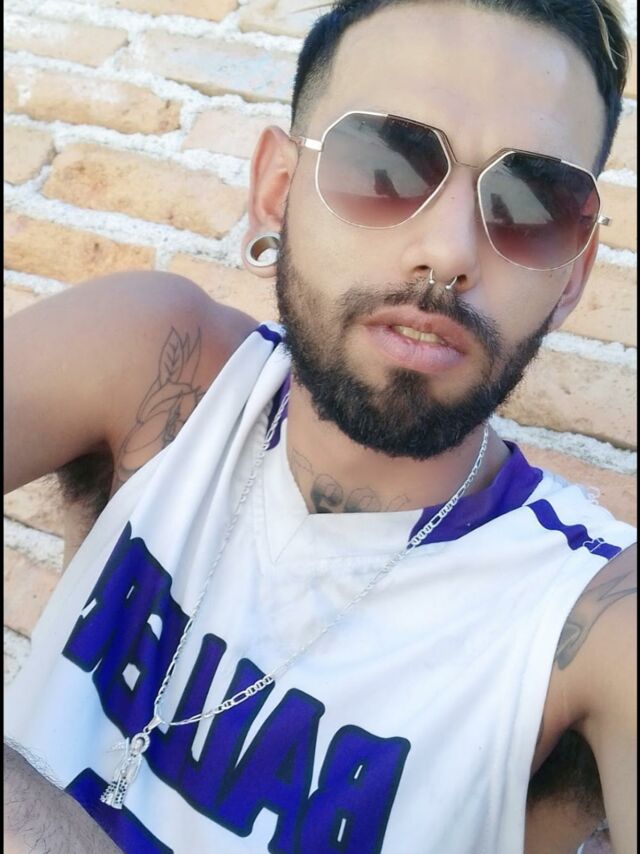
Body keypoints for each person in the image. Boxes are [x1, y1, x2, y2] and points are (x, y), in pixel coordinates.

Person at [3, 0, 636, 852]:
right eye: (386, 163)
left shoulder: (590, 620)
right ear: (277, 192)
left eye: (532, 204)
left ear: (571, 278)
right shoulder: (153, 362)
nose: (450, 251)